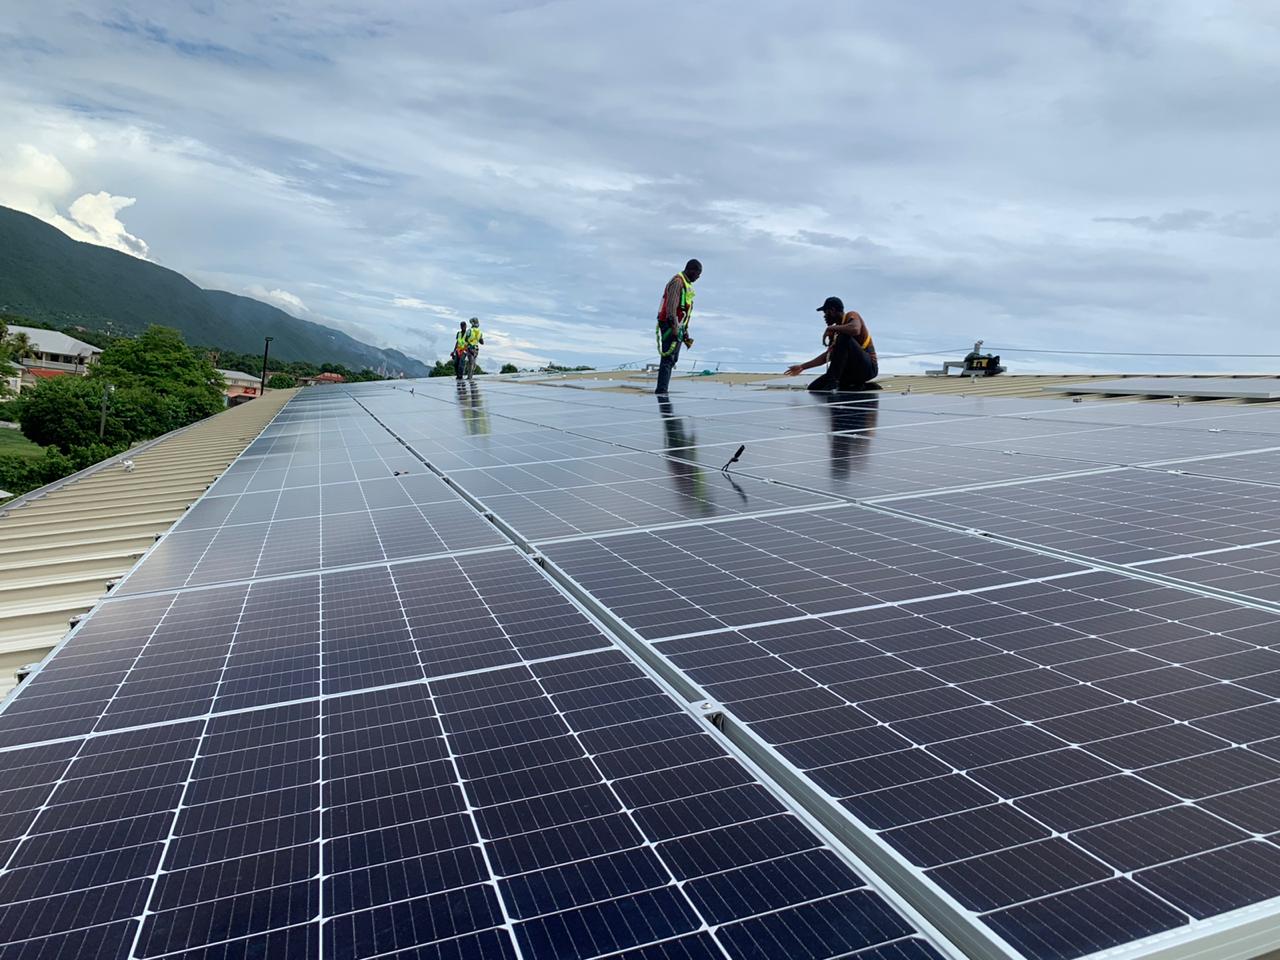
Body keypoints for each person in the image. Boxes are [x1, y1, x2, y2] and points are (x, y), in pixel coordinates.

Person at [785, 296, 879, 391]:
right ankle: (860, 386)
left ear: (832, 311)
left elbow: (855, 329)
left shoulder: (851, 315)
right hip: (850, 371)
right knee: (814, 388)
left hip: (867, 369)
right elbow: (828, 356)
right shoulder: (835, 332)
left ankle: (833, 381)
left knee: (843, 337)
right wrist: (802, 367)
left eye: (825, 313)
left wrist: (830, 328)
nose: (824, 317)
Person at [655, 259, 702, 395]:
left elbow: (684, 311)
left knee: (672, 359)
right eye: (698, 274)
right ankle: (661, 392)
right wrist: (675, 329)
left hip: (678, 326)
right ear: (691, 270)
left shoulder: (686, 284)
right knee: (668, 359)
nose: (698, 277)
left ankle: (663, 390)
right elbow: (671, 308)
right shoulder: (678, 282)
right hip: (670, 326)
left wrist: (685, 331)